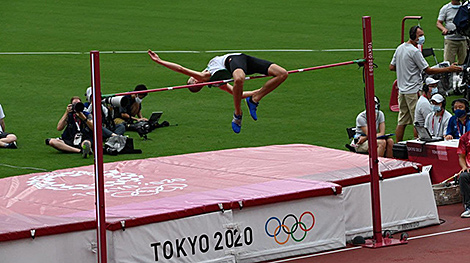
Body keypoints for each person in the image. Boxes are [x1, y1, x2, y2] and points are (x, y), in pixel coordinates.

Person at [147, 50, 288, 133]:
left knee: (282, 74)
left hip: (242, 60)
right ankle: (238, 114)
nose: (195, 78)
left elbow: (238, 93)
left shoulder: (214, 76)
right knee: (239, 79)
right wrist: (159, 61)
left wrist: (259, 92)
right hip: (235, 64)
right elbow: (180, 69)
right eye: (195, 81)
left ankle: (255, 100)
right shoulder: (206, 78)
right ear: (197, 82)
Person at [389, 25, 462, 142]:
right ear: (413, 37)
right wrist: (449, 69)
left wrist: (405, 69)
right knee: (418, 121)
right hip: (413, 90)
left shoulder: (400, 48)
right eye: (420, 35)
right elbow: (428, 70)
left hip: (402, 90)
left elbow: (392, 67)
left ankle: (397, 146)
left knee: (402, 121)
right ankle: (417, 146)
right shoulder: (414, 52)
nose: (423, 37)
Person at [437, 0, 468, 65]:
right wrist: (443, 29)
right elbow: (439, 23)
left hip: (463, 40)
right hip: (450, 40)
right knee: (448, 63)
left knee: (464, 63)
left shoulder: (465, 7)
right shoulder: (446, 8)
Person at [456, 130, 470, 217]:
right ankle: (468, 207)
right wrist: (464, 167)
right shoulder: (464, 138)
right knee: (463, 176)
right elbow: (461, 156)